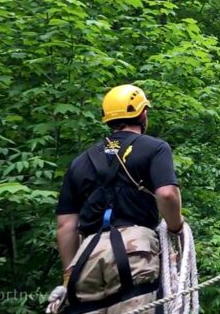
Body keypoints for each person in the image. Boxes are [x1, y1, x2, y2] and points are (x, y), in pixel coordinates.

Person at [47, 84, 183, 314]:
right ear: (143, 114)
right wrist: (176, 227)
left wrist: (69, 273)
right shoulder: (155, 148)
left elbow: (65, 225)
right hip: (135, 248)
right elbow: (167, 194)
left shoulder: (81, 161)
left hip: (88, 254)